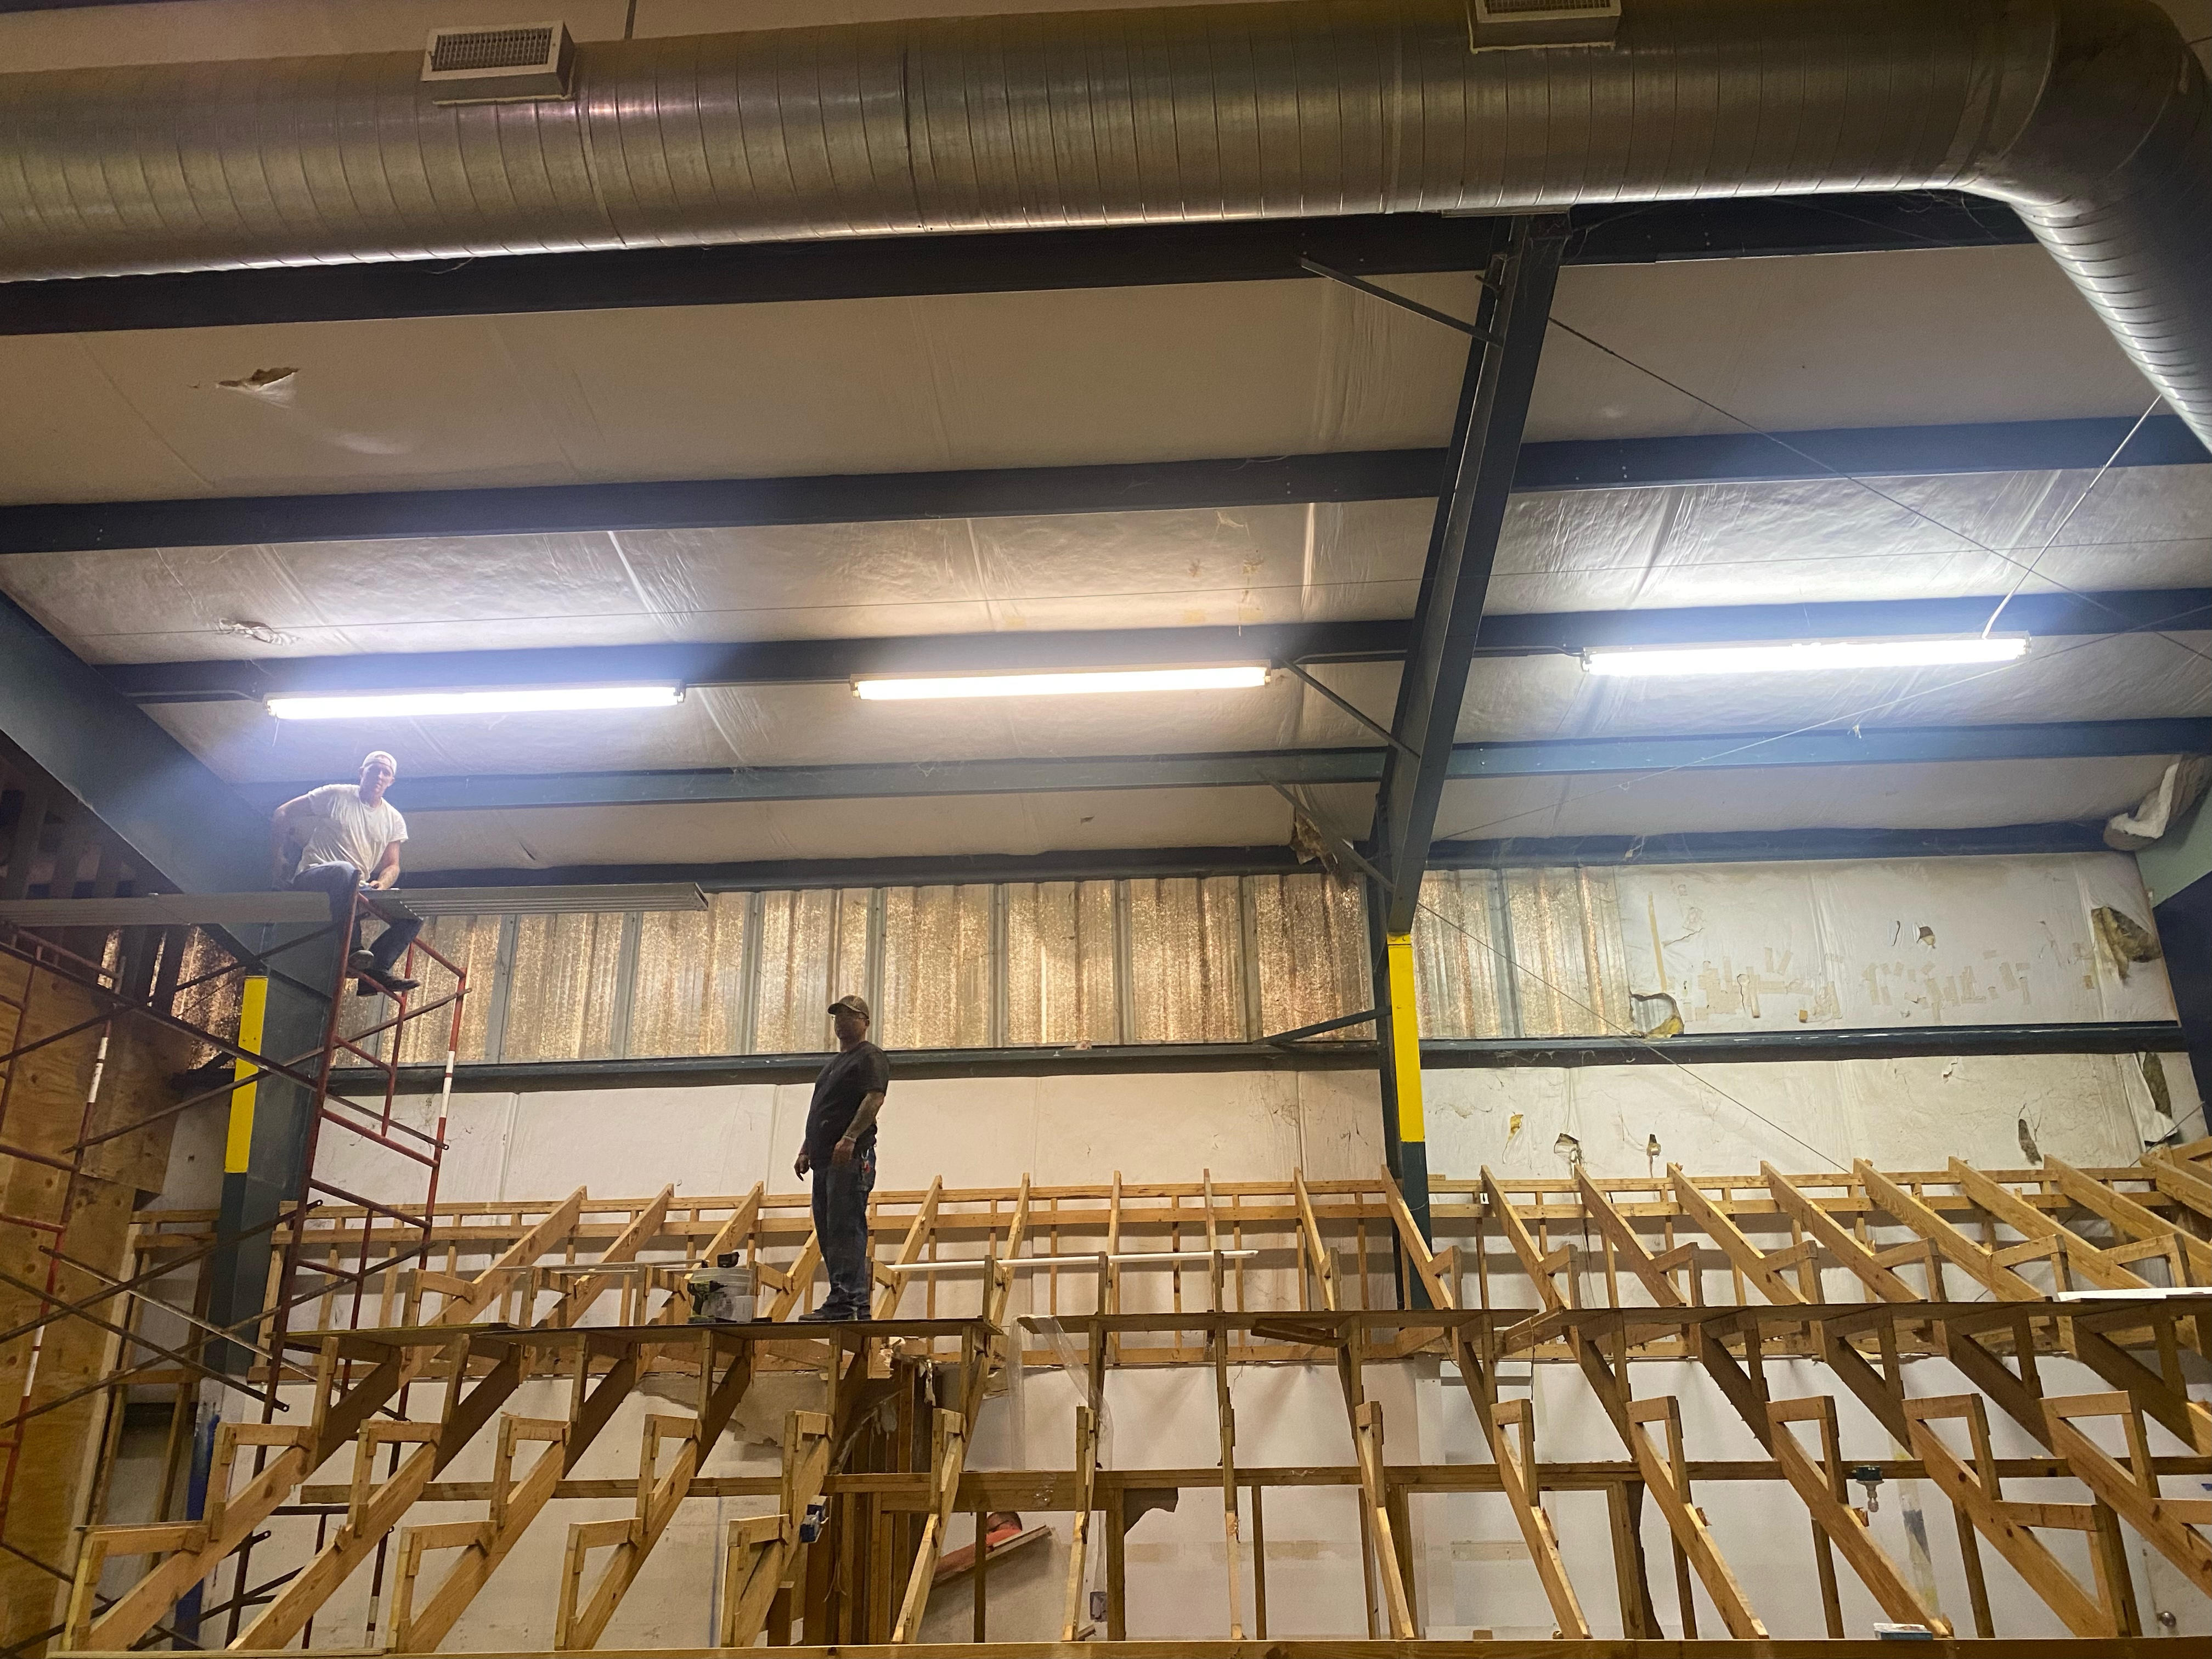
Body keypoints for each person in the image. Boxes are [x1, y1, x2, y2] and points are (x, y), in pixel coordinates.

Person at [270, 751, 423, 997]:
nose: (379, 776)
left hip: (356, 885)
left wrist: (382, 883)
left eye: (385, 773)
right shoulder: (336, 795)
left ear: (391, 781)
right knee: (345, 871)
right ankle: (354, 950)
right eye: (374, 769)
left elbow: (393, 865)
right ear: (362, 773)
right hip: (316, 875)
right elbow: (283, 812)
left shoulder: (393, 819)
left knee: (412, 917)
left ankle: (375, 971)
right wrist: (278, 855)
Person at [794, 995, 890, 1322]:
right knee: (828, 1228)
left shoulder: (870, 1056)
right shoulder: (832, 1066)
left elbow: (874, 1098)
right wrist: (807, 1148)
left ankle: (848, 1301)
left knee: (845, 1226)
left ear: (865, 1022)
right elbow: (822, 1109)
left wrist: (849, 1138)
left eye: (850, 1016)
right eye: (838, 1017)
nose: (841, 1022)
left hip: (849, 1157)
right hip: (825, 1159)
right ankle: (849, 1301)